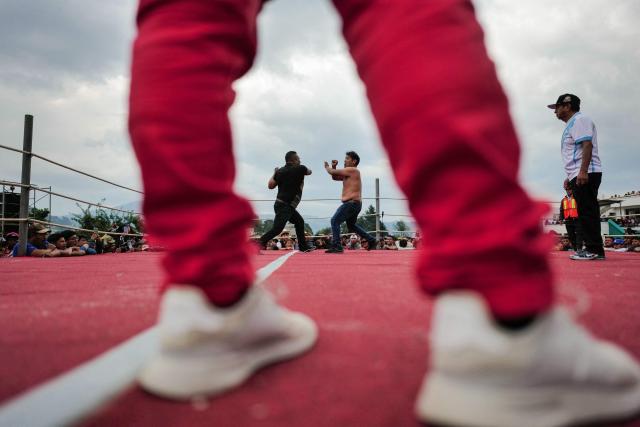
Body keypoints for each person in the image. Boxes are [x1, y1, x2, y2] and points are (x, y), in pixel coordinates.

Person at [129, 2, 640, 426]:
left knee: (189, 11)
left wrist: (325, 173)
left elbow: (325, 179)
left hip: (347, 204)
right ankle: (500, 308)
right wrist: (324, 170)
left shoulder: (334, 172)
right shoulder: (322, 170)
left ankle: (203, 291)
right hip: (332, 202)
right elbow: (315, 176)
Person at [548, 94, 605, 260]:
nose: (555, 111)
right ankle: (592, 248)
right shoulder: (573, 123)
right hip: (578, 173)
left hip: (586, 172)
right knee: (585, 210)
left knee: (587, 211)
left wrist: (582, 171)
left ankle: (594, 250)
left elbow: (587, 144)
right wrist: (571, 174)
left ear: (567, 106)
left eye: (557, 107)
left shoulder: (580, 120)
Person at [259, 151, 314, 253]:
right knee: (277, 229)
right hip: (285, 206)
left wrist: (275, 172)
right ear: (293, 160)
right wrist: (302, 171)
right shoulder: (301, 168)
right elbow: (310, 172)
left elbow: (270, 186)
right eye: (298, 159)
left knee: (299, 222)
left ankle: (303, 247)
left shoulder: (280, 171)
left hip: (283, 205)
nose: (300, 160)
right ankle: (257, 244)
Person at [324, 152, 377, 253]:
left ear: (354, 161)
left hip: (351, 203)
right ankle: (371, 239)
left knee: (335, 221)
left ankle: (337, 246)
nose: (345, 160)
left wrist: (327, 167)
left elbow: (332, 172)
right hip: (354, 204)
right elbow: (335, 177)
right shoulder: (349, 173)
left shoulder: (353, 170)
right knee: (351, 226)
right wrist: (334, 166)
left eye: (347, 158)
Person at [559, 184, 579, 250]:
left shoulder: (577, 197)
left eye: (569, 189)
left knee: (579, 235)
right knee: (571, 235)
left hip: (577, 219)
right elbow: (561, 210)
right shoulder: (563, 200)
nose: (568, 191)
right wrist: (561, 219)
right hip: (568, 220)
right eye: (567, 189)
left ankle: (579, 249)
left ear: (572, 189)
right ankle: (575, 249)